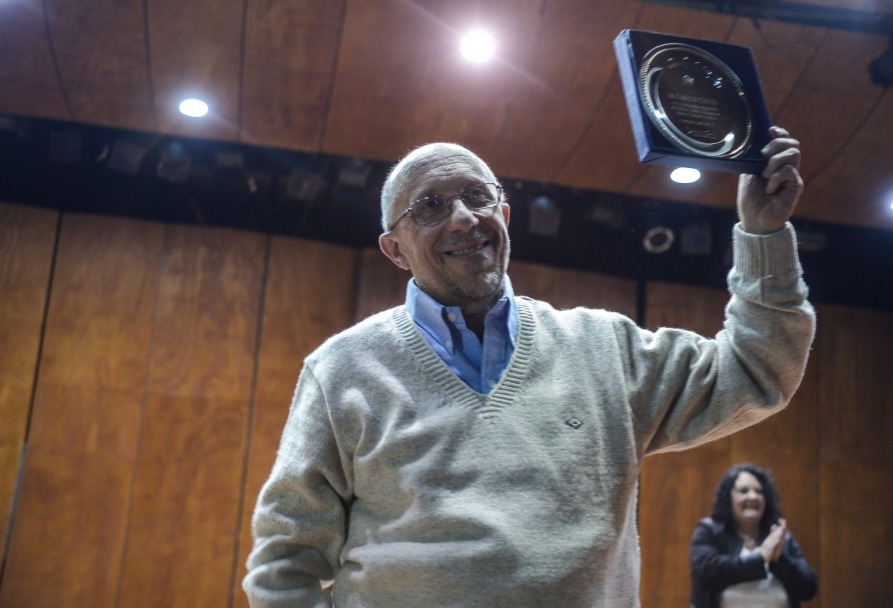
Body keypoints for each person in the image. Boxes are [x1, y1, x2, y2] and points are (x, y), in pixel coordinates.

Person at [243, 126, 816, 608]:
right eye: (432, 206)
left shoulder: (605, 347)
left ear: (505, 216)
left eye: (477, 196)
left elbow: (757, 372)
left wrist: (763, 234)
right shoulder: (343, 369)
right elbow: (286, 557)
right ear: (394, 249)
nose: (464, 218)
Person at [690, 463, 818, 607]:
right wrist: (761, 557)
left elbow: (809, 589)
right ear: (728, 497)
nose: (753, 496)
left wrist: (779, 560)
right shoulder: (709, 530)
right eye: (743, 491)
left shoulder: (782, 538)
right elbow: (709, 572)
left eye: (759, 491)